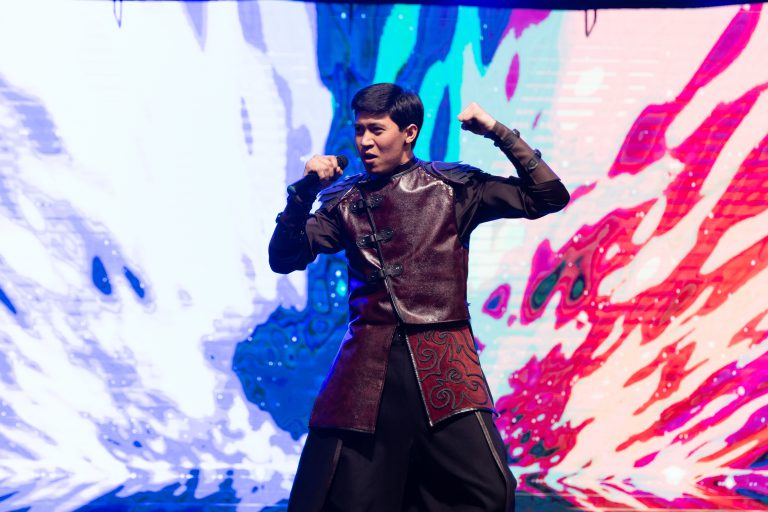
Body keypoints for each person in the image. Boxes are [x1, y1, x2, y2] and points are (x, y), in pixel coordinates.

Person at [269, 83, 569, 512]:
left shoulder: (454, 186)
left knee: (489, 491)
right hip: (367, 371)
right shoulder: (345, 201)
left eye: (376, 130)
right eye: (359, 130)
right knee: (345, 498)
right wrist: (304, 192)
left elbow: (548, 196)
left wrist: (496, 130)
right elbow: (284, 257)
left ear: (409, 132)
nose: (364, 141)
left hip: (442, 361)